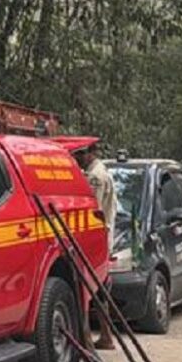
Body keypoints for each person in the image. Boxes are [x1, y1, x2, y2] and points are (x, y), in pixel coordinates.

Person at [78, 142, 117, 349]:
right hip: (103, 236)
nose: (79, 158)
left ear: (92, 153)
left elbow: (93, 209)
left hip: (96, 238)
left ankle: (89, 338)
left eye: (82, 154)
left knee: (86, 287)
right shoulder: (100, 172)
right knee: (101, 287)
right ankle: (105, 336)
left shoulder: (95, 177)